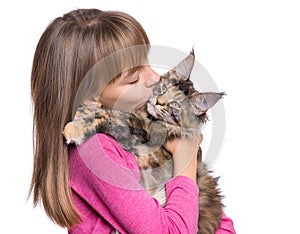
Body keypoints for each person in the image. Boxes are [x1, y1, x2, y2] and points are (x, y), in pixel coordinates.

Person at [29, 8, 235, 233]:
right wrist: (185, 160)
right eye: (135, 77)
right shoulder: (95, 149)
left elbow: (222, 224)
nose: (155, 78)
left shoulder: (144, 126)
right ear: (90, 98)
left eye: (147, 62)